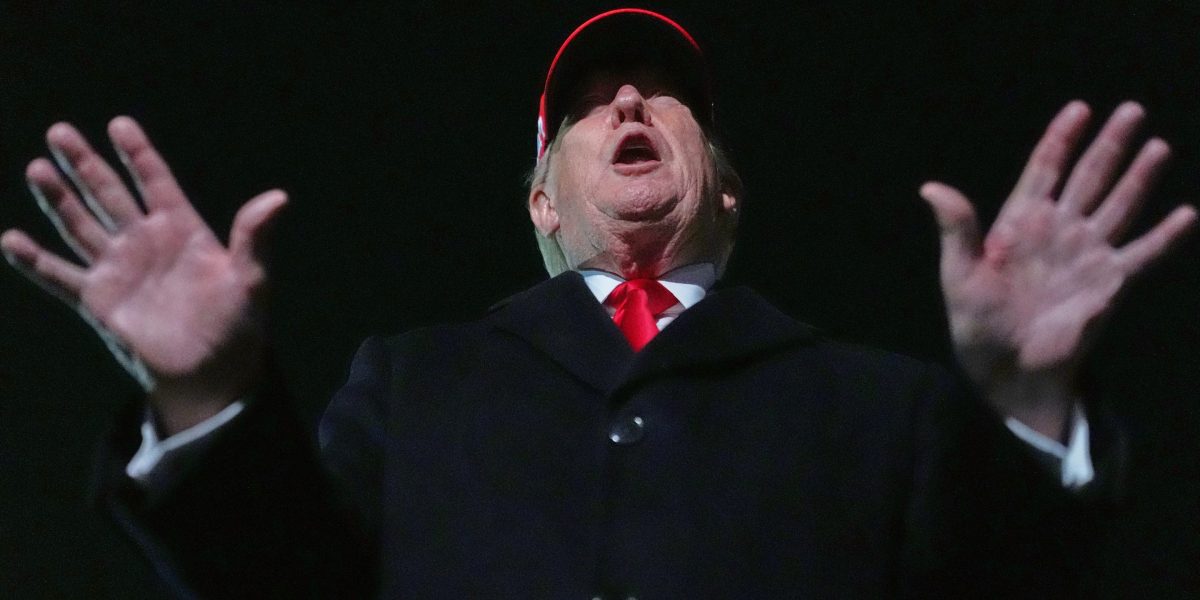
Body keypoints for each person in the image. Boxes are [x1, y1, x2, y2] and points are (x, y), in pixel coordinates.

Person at [1, 7, 1194, 599]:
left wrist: (1025, 404)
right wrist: (211, 398)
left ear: (726, 187)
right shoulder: (412, 381)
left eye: (666, 96)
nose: (629, 102)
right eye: (591, 102)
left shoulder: (882, 406)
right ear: (540, 200)